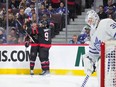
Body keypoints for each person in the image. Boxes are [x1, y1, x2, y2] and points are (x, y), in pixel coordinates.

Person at [83, 10, 116, 81]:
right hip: (104, 60)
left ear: (96, 17)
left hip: (113, 57)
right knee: (102, 82)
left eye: (91, 19)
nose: (90, 22)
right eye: (88, 21)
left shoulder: (106, 22)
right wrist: (90, 60)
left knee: (109, 81)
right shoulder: (92, 32)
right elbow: (93, 52)